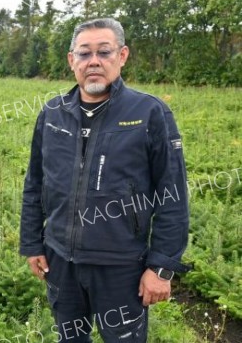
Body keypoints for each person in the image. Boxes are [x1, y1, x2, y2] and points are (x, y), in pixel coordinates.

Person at [20, 18, 190, 342]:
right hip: (61, 264)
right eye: (84, 54)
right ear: (72, 60)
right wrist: (32, 243)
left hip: (121, 268)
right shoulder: (53, 114)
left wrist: (161, 267)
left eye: (104, 52)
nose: (94, 61)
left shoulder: (149, 113)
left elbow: (173, 195)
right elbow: (35, 183)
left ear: (122, 56)